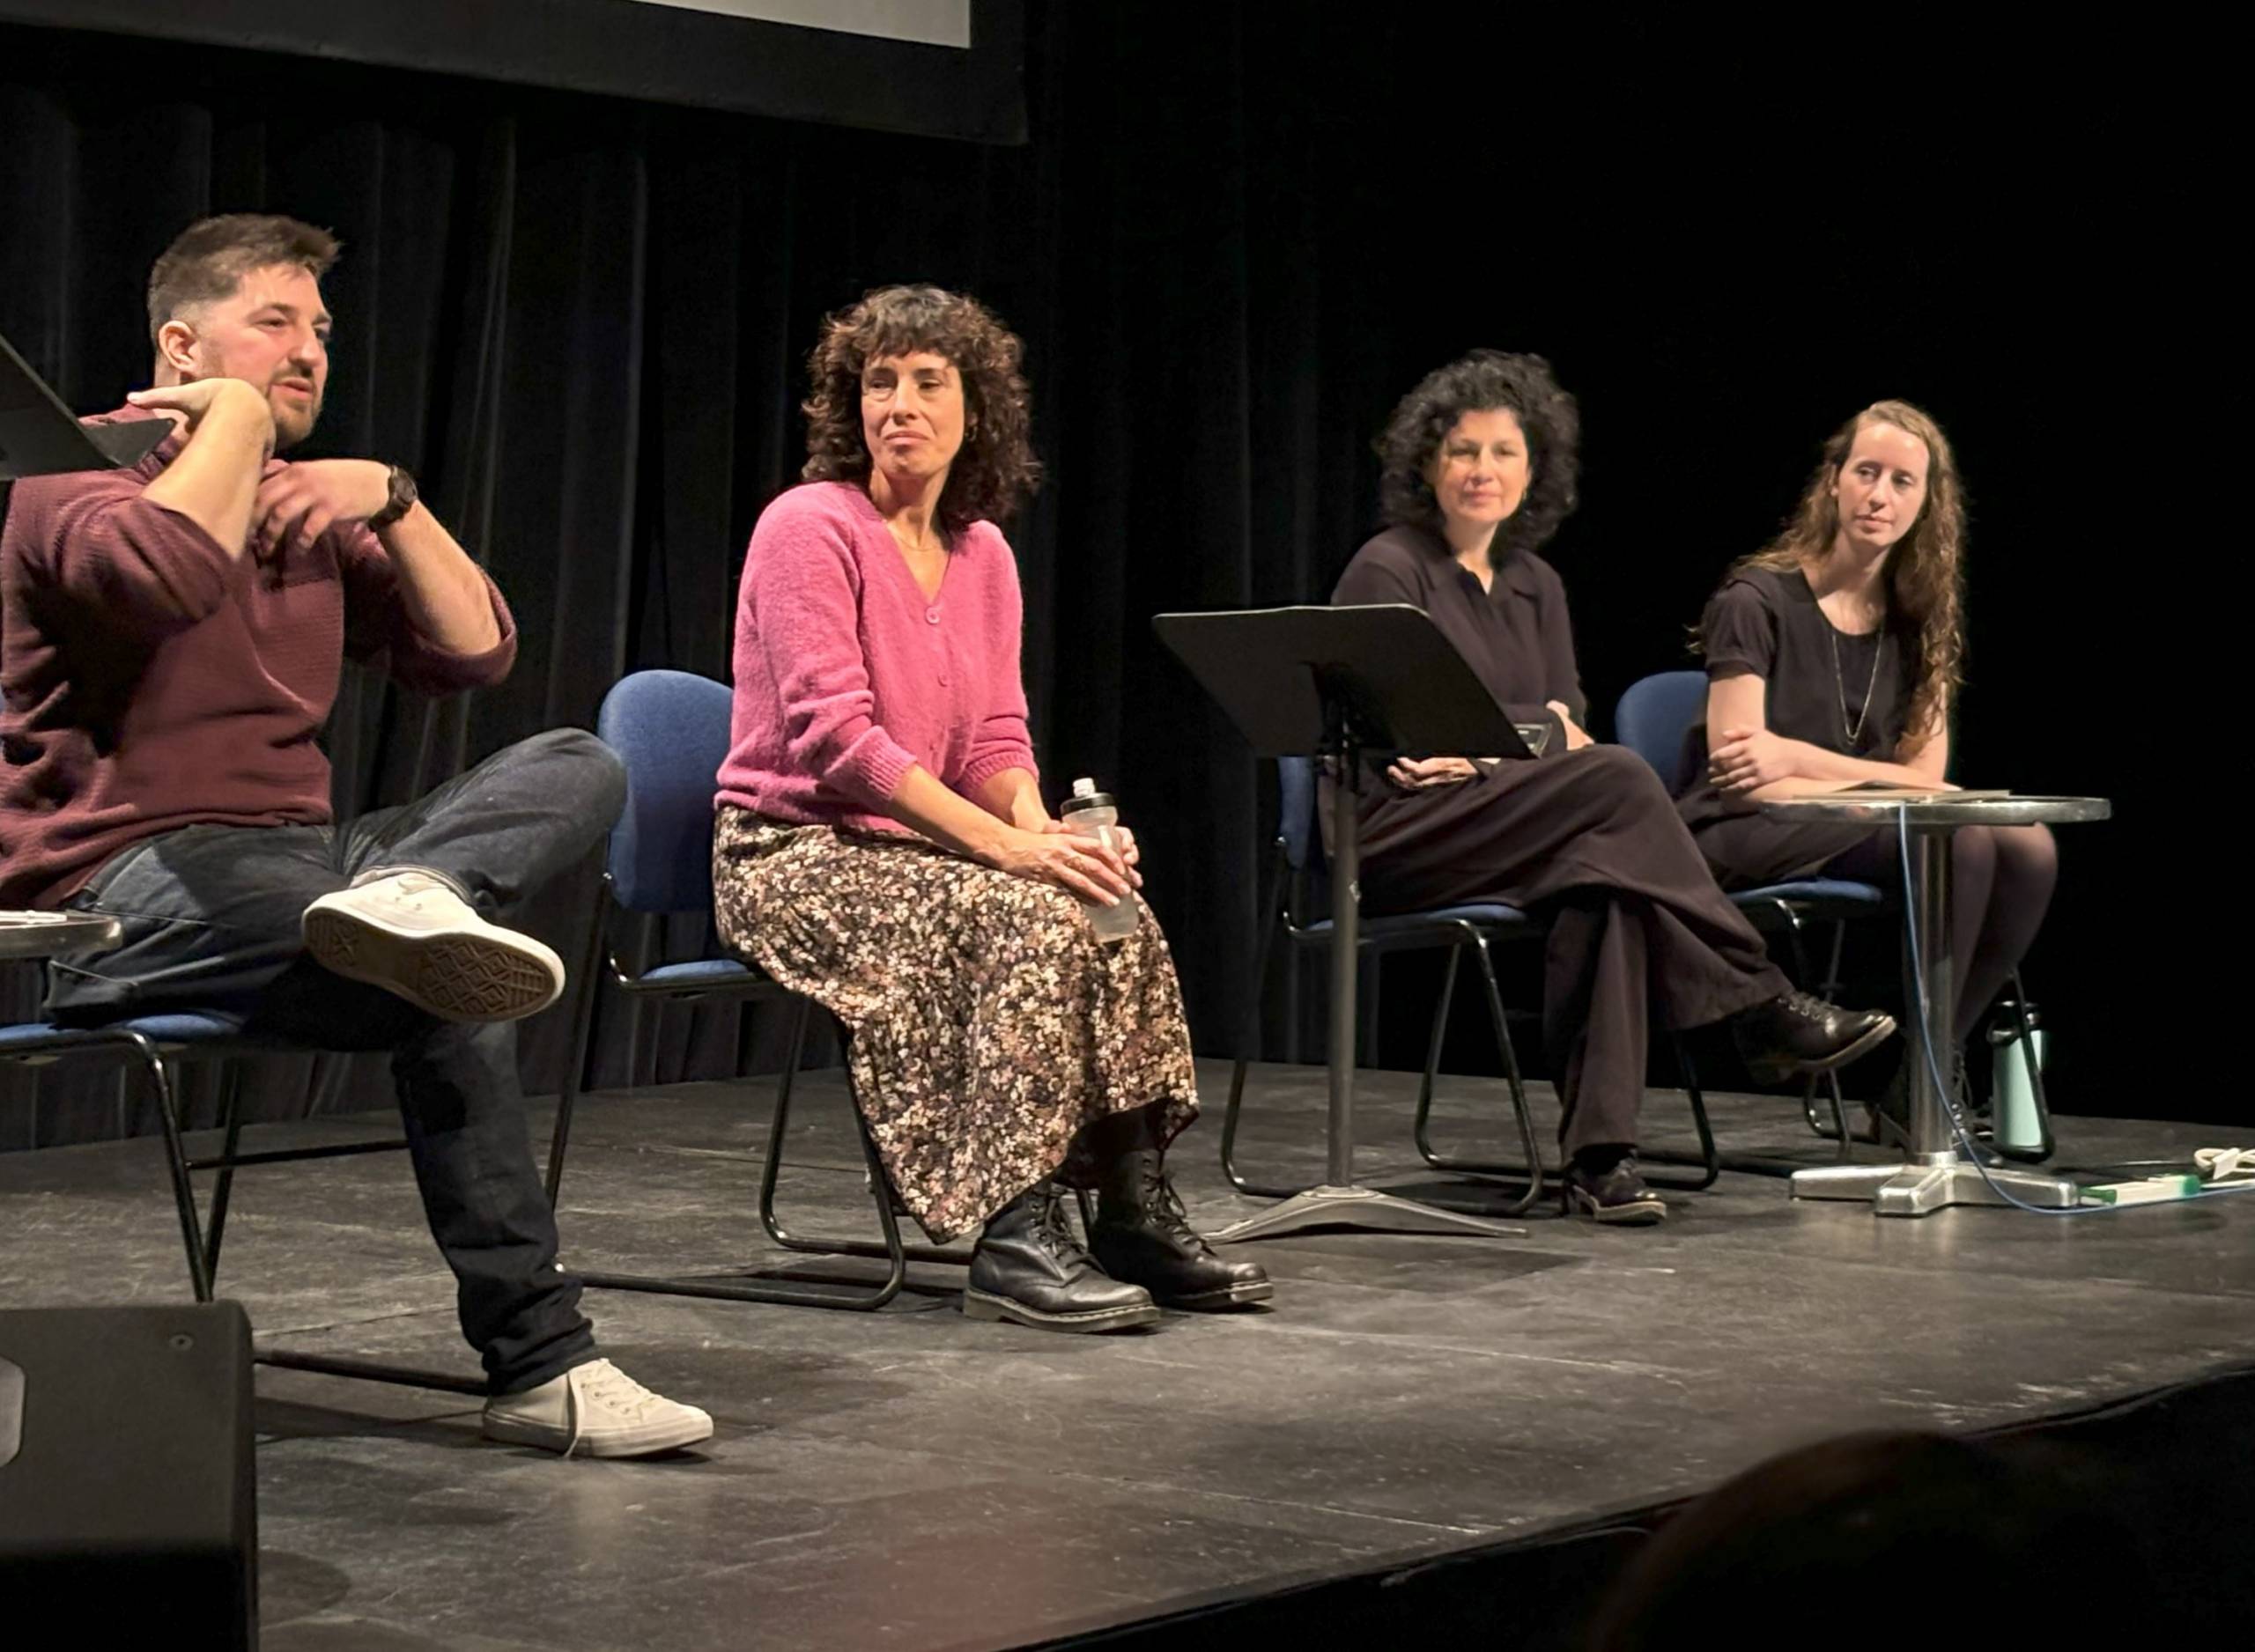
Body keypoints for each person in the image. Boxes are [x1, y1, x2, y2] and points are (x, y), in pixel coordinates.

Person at [0, 213, 710, 1457]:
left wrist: (388, 495)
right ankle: (543, 1362)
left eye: (322, 331)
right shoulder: (67, 490)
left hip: (307, 869)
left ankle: (418, 889)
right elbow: (165, 576)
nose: (313, 352)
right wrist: (227, 423)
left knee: (573, 760)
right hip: (123, 888)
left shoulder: (310, 515)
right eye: (276, 322)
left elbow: (474, 648)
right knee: (450, 979)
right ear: (182, 342)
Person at [712, 284, 1269, 1331]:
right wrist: (1007, 854)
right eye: (880, 383)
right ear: (852, 404)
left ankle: (1126, 1204)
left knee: (1113, 909)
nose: (900, 405)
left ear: (976, 410)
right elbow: (837, 742)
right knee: (1019, 916)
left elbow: (997, 743)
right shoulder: (808, 527)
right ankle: (1016, 1230)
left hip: (914, 854)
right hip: (790, 857)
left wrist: (1045, 832)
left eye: (929, 382)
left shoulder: (984, 556)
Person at [1329, 351, 1895, 1223]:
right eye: (1462, 451)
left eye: (1504, 453)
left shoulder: (1535, 585)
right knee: (1616, 784)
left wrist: (1501, 741)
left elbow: (1564, 731)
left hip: (1514, 822)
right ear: (1425, 465)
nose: (1483, 471)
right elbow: (1399, 730)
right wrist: (1520, 738)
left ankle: (1601, 1159)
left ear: (1534, 470)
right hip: (1402, 831)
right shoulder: (1389, 567)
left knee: (1610, 885)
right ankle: (1756, 1000)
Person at [1677, 401, 2056, 1139]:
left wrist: (1796, 755)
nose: (1880, 496)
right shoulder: (1756, 598)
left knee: (2032, 846)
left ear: (1927, 503)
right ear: (1834, 482)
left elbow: (1929, 776)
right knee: (1963, 841)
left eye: (1903, 482)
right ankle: (1926, 1087)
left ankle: (1924, 1065)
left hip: (1856, 820)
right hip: (1743, 829)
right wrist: (1851, 780)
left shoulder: (1919, 615)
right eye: (1866, 473)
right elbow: (1741, 770)